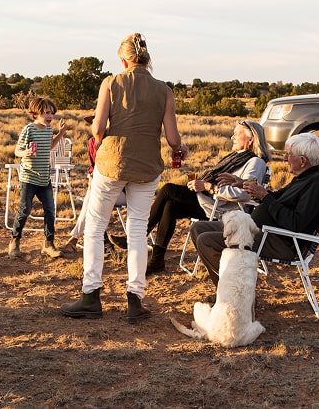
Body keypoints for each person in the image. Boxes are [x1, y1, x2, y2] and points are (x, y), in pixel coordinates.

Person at [60, 32, 185, 323]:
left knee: (94, 227)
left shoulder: (111, 83)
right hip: (146, 167)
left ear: (123, 59)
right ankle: (135, 299)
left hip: (112, 163)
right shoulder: (164, 90)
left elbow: (98, 128)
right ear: (147, 59)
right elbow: (173, 138)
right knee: (138, 230)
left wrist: (102, 132)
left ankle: (91, 295)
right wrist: (180, 149)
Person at [191, 132, 319, 290]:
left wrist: (265, 196)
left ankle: (235, 292)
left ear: (302, 160)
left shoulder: (318, 182)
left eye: (288, 154)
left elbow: (295, 223)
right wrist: (243, 184)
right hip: (262, 231)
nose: (285, 158)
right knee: (198, 228)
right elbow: (276, 198)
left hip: (281, 241)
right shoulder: (304, 178)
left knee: (207, 241)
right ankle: (230, 290)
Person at [136, 119, 271, 274]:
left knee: (167, 189)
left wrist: (209, 187)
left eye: (236, 134)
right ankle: (157, 260)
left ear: (251, 139)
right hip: (210, 202)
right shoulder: (236, 157)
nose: (232, 138)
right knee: (170, 206)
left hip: (222, 209)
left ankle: (138, 236)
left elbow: (245, 194)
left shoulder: (255, 162)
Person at [8, 96, 67, 259]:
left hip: (44, 178)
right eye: (45, 113)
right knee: (25, 209)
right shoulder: (29, 129)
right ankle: (15, 242)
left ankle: (48, 244)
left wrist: (61, 133)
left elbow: (49, 147)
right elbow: (17, 150)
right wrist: (24, 153)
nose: (49, 116)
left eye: (51, 113)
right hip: (29, 177)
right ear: (35, 114)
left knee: (50, 210)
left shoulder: (48, 129)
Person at [61, 115, 125, 254]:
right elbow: (93, 167)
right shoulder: (92, 142)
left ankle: (75, 238)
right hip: (100, 187)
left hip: (122, 190)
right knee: (94, 195)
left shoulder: (118, 142)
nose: (98, 126)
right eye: (95, 123)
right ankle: (103, 242)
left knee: (93, 198)